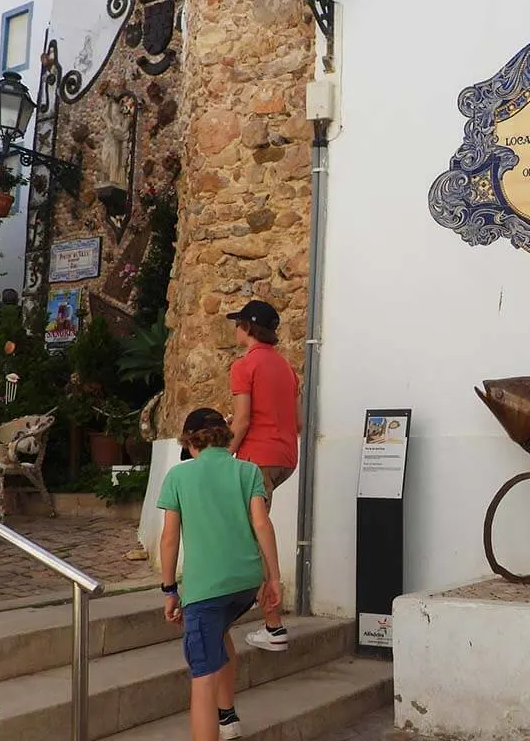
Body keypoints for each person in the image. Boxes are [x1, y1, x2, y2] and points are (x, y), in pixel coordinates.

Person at [158, 407, 282, 741]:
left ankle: (216, 722)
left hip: (205, 589)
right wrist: (274, 578)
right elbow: (261, 523)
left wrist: (169, 589)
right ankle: (227, 717)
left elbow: (169, 539)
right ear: (224, 437)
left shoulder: (178, 476)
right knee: (220, 631)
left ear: (191, 444)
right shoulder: (248, 471)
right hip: (244, 583)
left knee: (202, 679)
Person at [224, 299, 302, 652]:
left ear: (248, 328)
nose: (235, 328)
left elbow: (241, 421)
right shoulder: (286, 368)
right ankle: (258, 612)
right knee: (253, 534)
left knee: (256, 541)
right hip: (285, 458)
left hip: (257, 459)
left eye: (238, 323)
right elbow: (297, 422)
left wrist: (223, 456)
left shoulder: (244, 367)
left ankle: (273, 626)